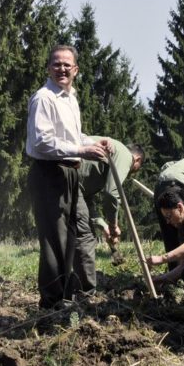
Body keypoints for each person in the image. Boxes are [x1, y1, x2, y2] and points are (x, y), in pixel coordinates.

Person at [26, 45, 112, 309]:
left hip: (71, 173)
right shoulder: (44, 98)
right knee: (55, 239)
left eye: (67, 65)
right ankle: (52, 304)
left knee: (73, 235)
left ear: (76, 70)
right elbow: (42, 142)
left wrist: (92, 143)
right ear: (48, 68)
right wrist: (81, 150)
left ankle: (67, 296)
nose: (61, 69)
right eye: (56, 64)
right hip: (50, 172)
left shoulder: (70, 98)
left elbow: (71, 137)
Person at [75, 138, 145, 280]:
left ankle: (74, 278)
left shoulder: (103, 163)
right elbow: (111, 193)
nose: (134, 172)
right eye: (138, 167)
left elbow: (85, 201)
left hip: (64, 180)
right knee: (85, 236)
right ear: (137, 159)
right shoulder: (125, 155)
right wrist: (113, 225)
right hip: (68, 179)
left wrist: (104, 226)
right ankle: (84, 285)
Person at [154, 156, 184, 256]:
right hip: (178, 185)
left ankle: (174, 263)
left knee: (170, 234)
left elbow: (167, 165)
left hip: (161, 185)